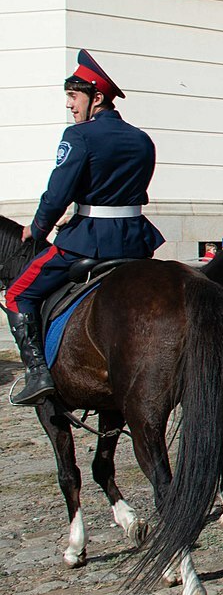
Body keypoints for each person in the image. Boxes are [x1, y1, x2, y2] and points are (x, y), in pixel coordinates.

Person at [5, 51, 165, 405]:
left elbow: (58, 191)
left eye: (73, 96)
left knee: (18, 294)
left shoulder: (79, 136)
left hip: (89, 242)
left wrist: (39, 226)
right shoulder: (141, 139)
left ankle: (37, 374)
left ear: (96, 97)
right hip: (136, 242)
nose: (69, 105)